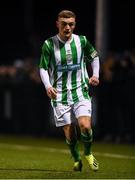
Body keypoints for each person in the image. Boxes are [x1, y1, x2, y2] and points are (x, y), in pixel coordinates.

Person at [39, 10, 100, 172]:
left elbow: (94, 56)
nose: (67, 27)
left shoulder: (82, 41)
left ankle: (88, 153)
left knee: (85, 126)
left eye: (71, 24)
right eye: (64, 24)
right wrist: (47, 86)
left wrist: (95, 74)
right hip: (59, 94)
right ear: (57, 24)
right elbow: (43, 68)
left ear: (75, 24)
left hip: (81, 91)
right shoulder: (49, 44)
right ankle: (76, 158)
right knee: (70, 132)